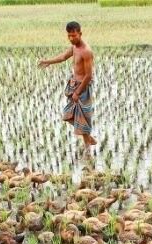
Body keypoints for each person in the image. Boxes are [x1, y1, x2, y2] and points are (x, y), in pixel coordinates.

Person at [38, 21, 96, 149]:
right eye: (69, 36)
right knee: (68, 115)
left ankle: (87, 148)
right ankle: (88, 138)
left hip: (83, 88)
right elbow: (63, 57)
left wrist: (77, 92)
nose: (71, 38)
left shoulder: (86, 51)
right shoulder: (74, 47)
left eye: (74, 35)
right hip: (74, 84)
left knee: (83, 119)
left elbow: (88, 75)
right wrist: (47, 61)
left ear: (80, 34)